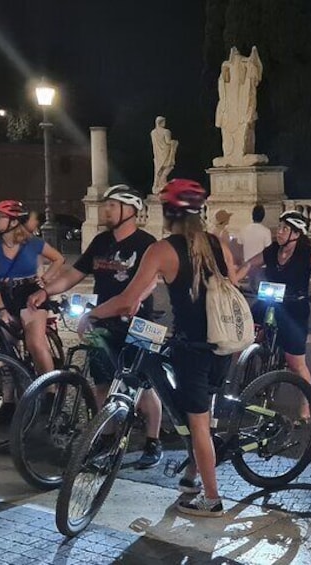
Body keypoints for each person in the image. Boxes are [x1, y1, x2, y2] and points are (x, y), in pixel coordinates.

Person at [77, 178, 239, 517]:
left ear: (167, 212)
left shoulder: (162, 249)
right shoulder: (214, 244)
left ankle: (212, 499)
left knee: (198, 425)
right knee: (199, 416)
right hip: (223, 343)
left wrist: (92, 313)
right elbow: (230, 287)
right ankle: (192, 476)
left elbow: (125, 301)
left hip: (193, 348)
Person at [28, 185, 164, 469]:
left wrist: (138, 296)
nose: (106, 210)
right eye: (106, 205)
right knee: (102, 380)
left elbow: (152, 280)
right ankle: (108, 435)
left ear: (131, 211)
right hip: (103, 321)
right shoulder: (101, 242)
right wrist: (47, 292)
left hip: (139, 324)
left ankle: (153, 441)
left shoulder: (146, 243)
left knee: (141, 384)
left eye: (112, 206)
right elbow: (74, 274)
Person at [235, 210, 311, 398]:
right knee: (244, 336)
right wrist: (233, 280)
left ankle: (306, 407)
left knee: (295, 363)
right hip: (268, 300)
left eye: (285, 229)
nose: (279, 232)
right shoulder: (273, 249)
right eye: (280, 227)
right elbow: (250, 264)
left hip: (294, 305)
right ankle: (248, 373)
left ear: (297, 234)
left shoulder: (305, 253)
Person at [0, 200, 65, 422]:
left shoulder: (33, 243)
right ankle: (8, 401)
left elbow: (59, 259)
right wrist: (0, 309)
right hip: (4, 296)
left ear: (12, 220)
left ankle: (50, 392)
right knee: (4, 349)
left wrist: (45, 280)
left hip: (29, 293)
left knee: (36, 343)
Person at [238, 205, 273, 290]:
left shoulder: (243, 229)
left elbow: (239, 246)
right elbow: (268, 249)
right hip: (261, 267)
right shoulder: (266, 231)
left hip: (247, 266)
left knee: (251, 289)